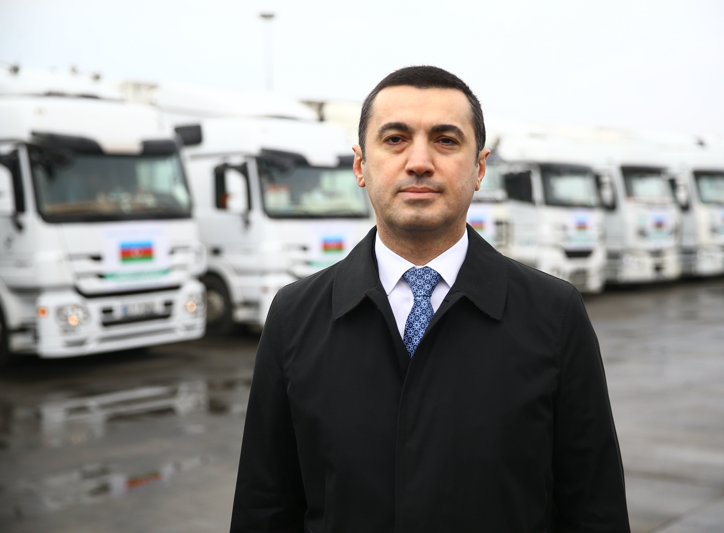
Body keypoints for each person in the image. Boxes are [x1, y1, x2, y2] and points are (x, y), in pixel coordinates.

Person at [230, 66, 630, 533]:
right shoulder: (295, 315)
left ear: (479, 168)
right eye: (395, 139)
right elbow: (265, 505)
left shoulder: (554, 313)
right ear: (360, 166)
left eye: (445, 140)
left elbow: (593, 507)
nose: (419, 161)